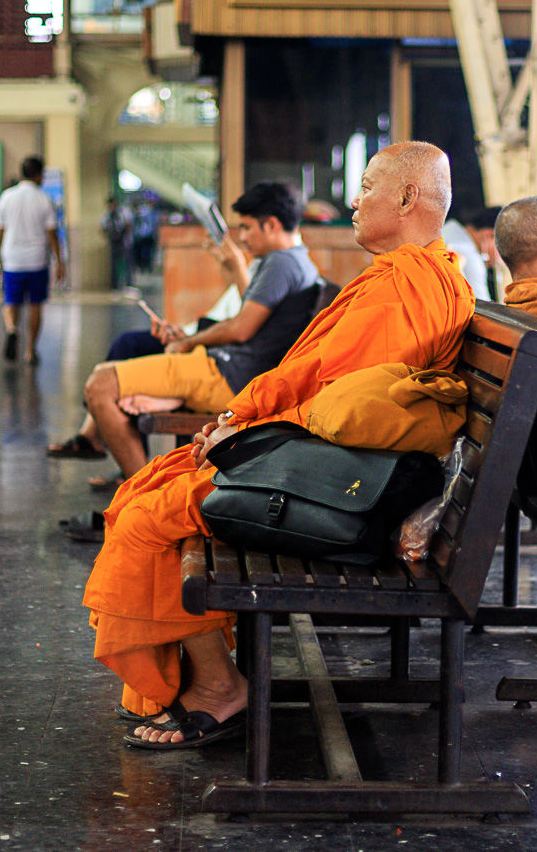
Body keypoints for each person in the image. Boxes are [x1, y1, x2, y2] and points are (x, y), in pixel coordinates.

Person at [82, 142, 474, 749]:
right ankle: (195, 679)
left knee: (146, 518)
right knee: (150, 485)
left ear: (406, 198)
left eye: (367, 186)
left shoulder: (406, 289)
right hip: (335, 460)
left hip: (340, 482)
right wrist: (241, 418)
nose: (353, 199)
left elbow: (344, 409)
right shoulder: (412, 278)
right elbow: (331, 389)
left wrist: (243, 426)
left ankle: (219, 689)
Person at [62, 182, 320, 483]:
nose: (243, 238)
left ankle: (142, 500)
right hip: (227, 367)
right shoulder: (297, 261)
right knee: (110, 374)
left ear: (272, 225)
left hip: (226, 374)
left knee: (100, 386)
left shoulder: (281, 262)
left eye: (247, 228)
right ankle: (147, 488)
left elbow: (240, 328)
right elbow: (251, 320)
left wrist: (187, 342)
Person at [0, 155, 63, 365]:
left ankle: (12, 329)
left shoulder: (6, 197)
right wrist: (60, 262)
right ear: (39, 175)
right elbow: (52, 235)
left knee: (10, 301)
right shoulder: (44, 199)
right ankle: (30, 350)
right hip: (37, 261)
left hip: (12, 259)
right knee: (35, 305)